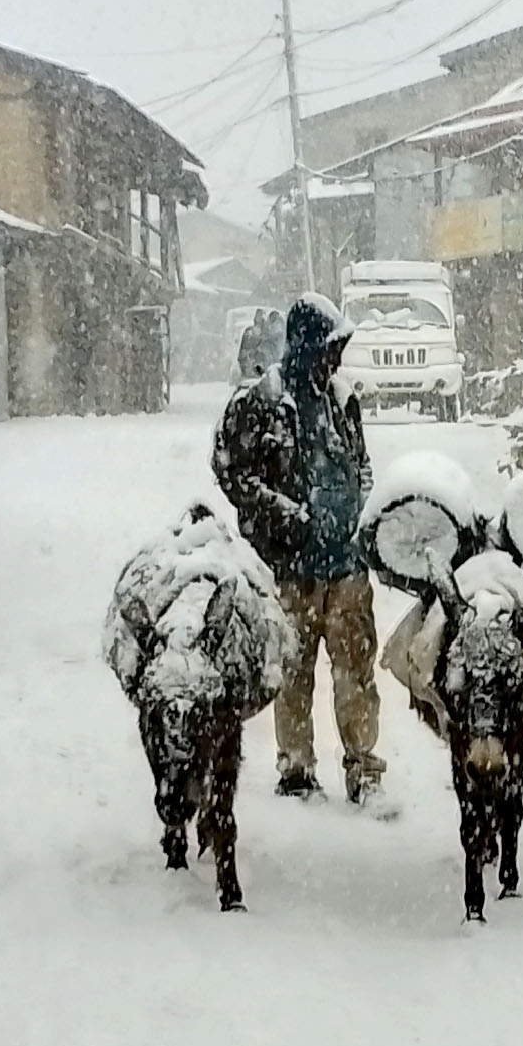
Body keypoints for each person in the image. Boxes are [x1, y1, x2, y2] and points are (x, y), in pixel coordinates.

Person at [212, 294, 386, 805]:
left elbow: (359, 459)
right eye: (330, 346)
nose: (336, 357)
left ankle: (363, 767)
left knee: (356, 672)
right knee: (293, 674)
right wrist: (282, 517)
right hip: (291, 570)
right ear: (309, 345)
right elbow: (231, 469)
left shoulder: (340, 396)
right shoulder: (266, 400)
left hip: (347, 565)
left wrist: (360, 496)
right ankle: (296, 771)